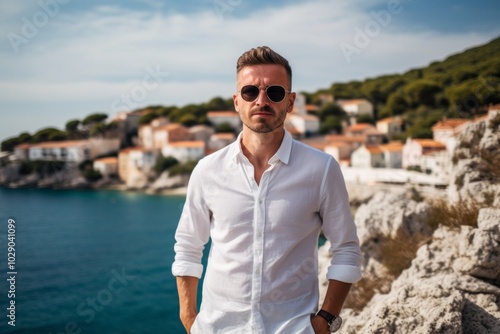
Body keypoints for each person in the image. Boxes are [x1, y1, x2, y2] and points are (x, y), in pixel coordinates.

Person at [172, 46, 362, 334]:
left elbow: (346, 248)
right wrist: (190, 319)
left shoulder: (321, 169)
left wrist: (326, 321)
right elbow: (188, 247)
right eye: (250, 92)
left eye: (274, 92)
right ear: (237, 101)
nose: (262, 100)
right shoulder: (207, 171)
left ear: (290, 101)